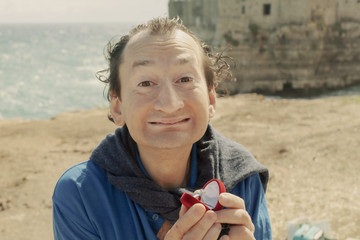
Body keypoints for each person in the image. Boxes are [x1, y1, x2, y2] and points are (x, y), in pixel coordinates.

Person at [52, 17, 272, 240]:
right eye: (145, 83)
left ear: (210, 99)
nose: (169, 104)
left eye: (185, 79)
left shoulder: (243, 179)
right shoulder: (82, 194)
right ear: (117, 107)